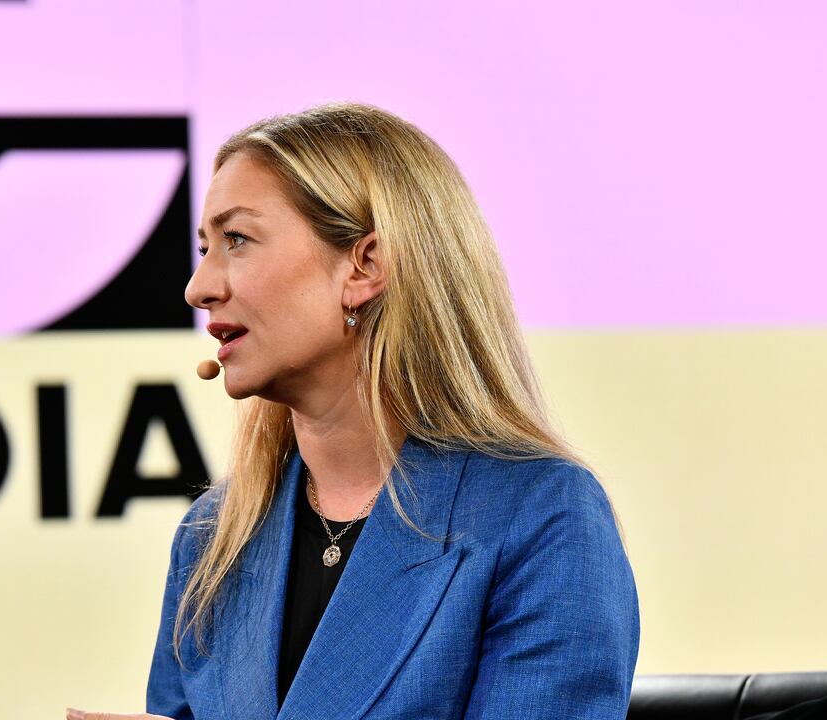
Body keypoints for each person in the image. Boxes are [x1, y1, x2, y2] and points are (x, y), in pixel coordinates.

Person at [67, 102, 639, 720]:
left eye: (237, 240)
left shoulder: (542, 515)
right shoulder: (211, 539)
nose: (199, 288)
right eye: (205, 247)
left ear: (365, 266)